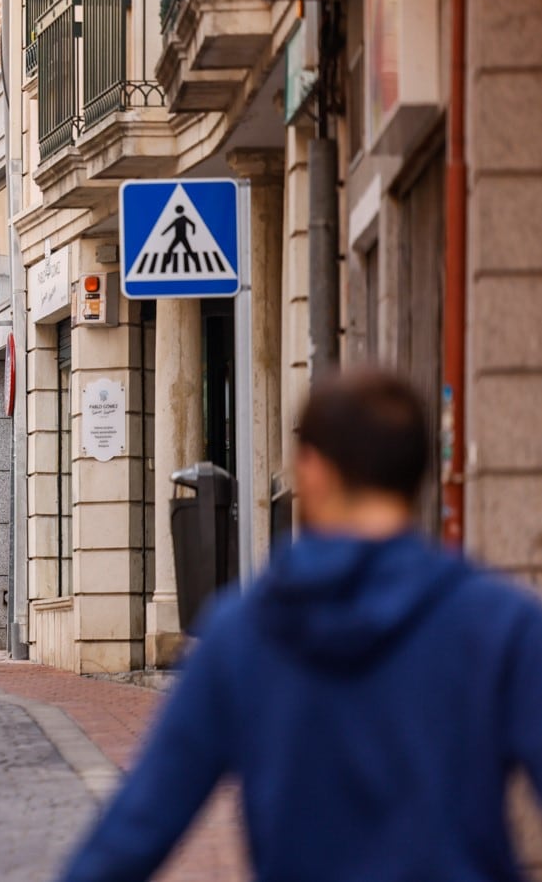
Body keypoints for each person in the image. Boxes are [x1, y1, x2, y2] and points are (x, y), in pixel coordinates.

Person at [56, 369, 542, 882]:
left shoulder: (241, 635)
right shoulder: (499, 624)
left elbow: (138, 826)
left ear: (312, 471)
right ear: (420, 473)